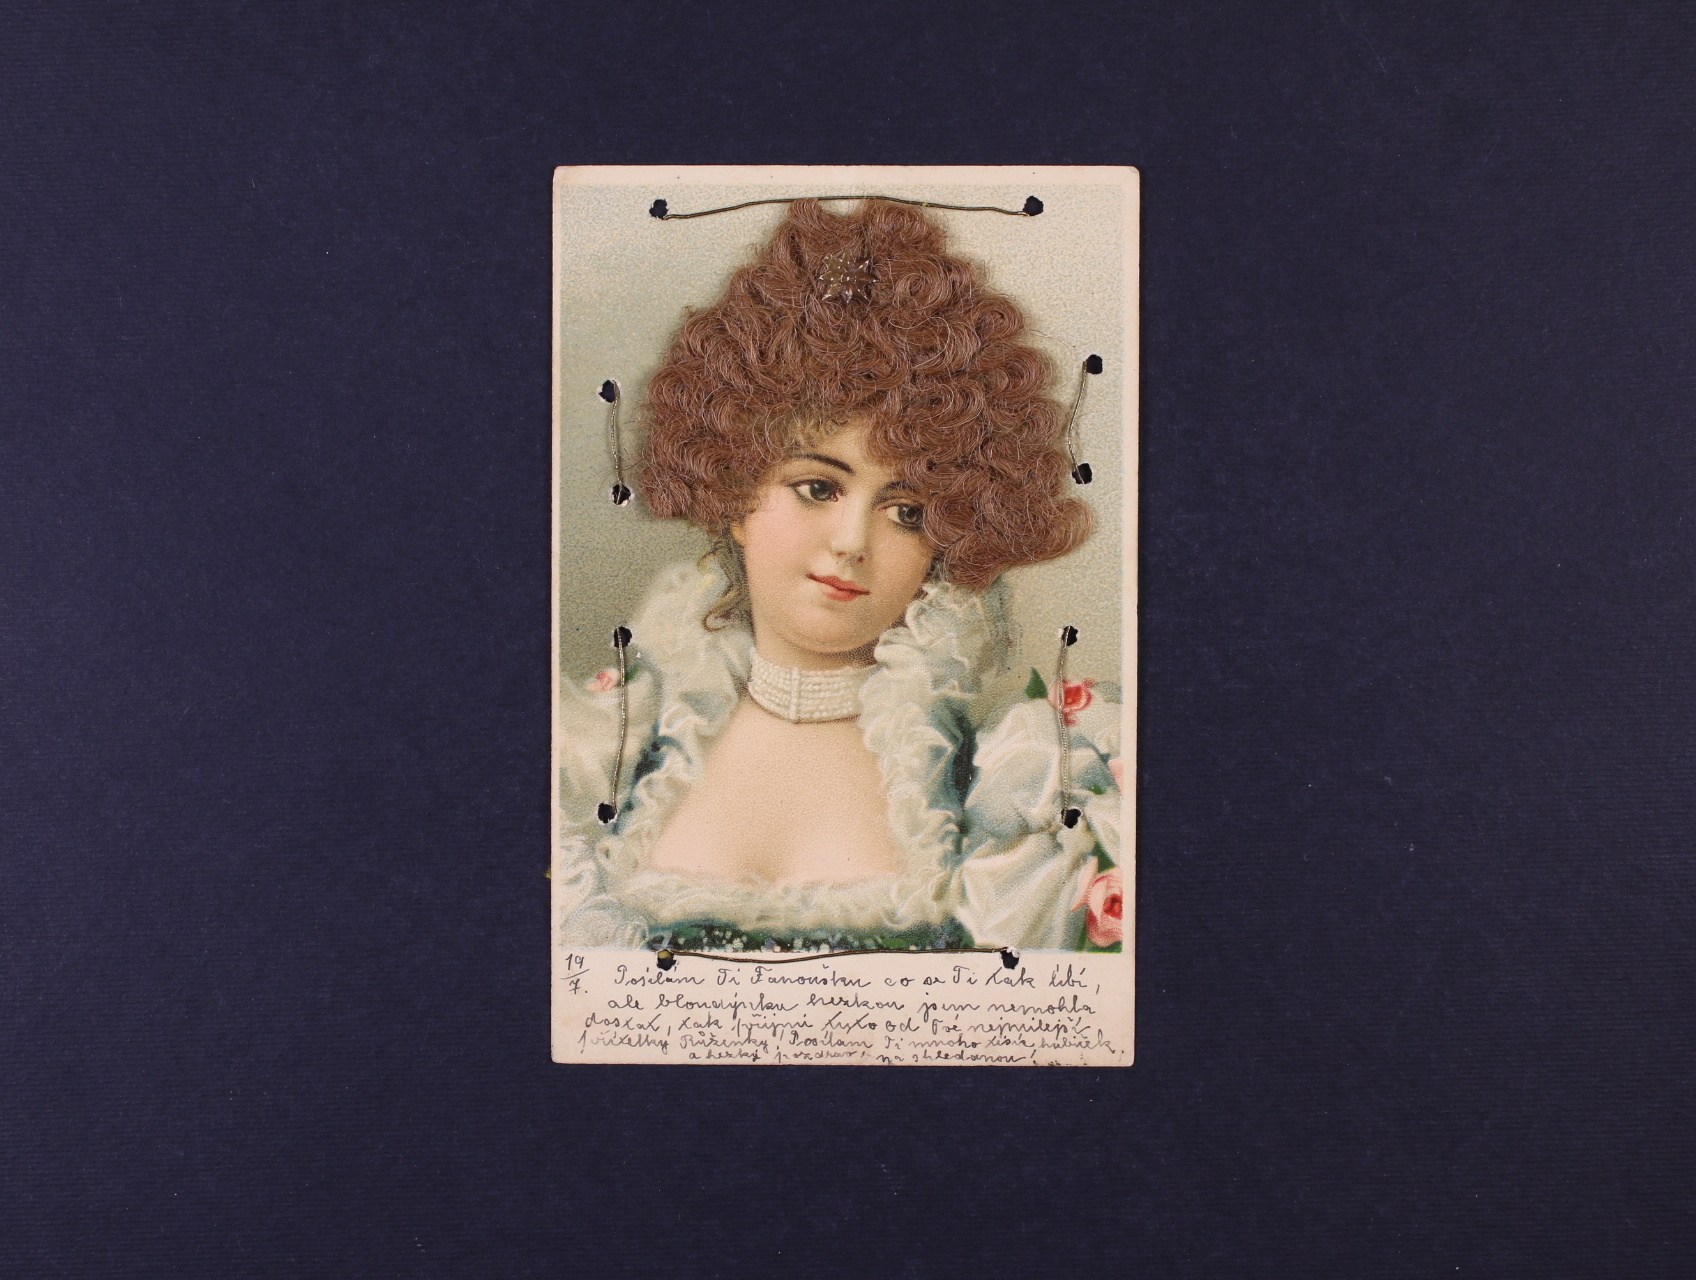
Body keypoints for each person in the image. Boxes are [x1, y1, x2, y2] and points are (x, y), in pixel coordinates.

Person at [555, 198, 1123, 953]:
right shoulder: (604, 756)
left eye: (908, 512)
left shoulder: (1010, 785)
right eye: (817, 488)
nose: (853, 542)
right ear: (736, 493)